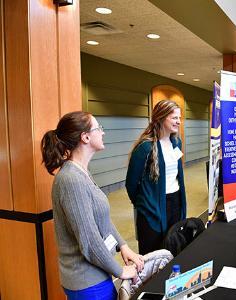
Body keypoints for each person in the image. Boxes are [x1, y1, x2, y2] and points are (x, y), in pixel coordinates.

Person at [41, 111, 144, 300]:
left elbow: (100, 218)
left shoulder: (82, 172)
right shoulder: (71, 180)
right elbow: (89, 242)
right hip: (86, 282)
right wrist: (120, 271)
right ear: (85, 137)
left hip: (97, 274)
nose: (102, 133)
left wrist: (123, 246)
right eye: (99, 128)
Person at [126, 100, 187, 255]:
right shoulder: (145, 147)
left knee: (174, 249)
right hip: (153, 209)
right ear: (161, 117)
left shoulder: (176, 142)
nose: (178, 122)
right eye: (174, 118)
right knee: (154, 254)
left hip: (175, 203)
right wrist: (145, 203)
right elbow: (131, 184)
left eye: (179, 118)